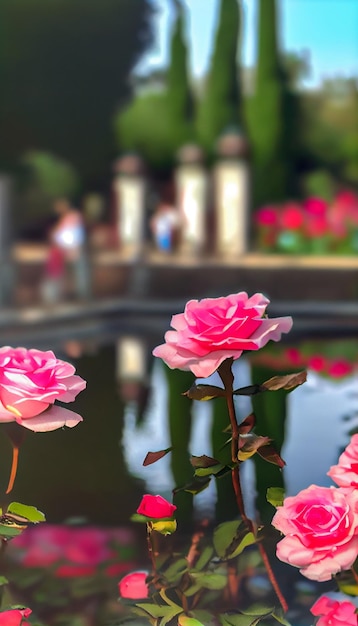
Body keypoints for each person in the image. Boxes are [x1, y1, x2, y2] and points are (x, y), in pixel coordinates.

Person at [51, 198, 91, 300]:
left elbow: (75, 234)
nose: (57, 210)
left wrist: (72, 248)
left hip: (74, 250)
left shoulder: (72, 217)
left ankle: (83, 296)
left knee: (80, 273)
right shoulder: (65, 218)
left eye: (59, 207)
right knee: (68, 274)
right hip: (67, 251)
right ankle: (72, 295)